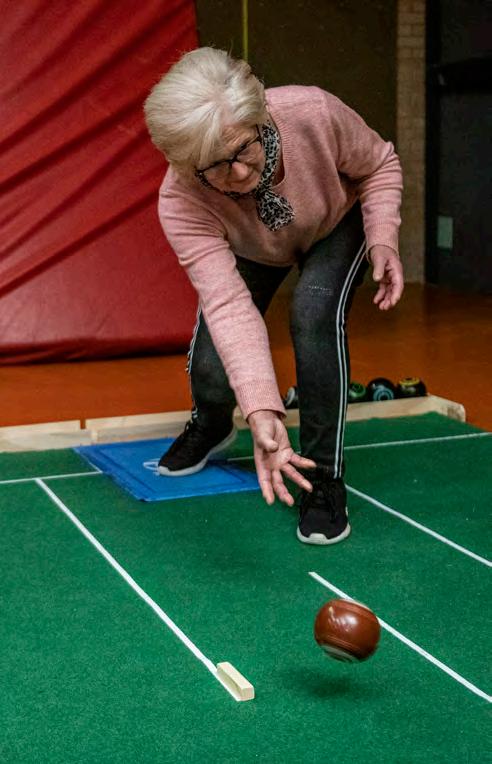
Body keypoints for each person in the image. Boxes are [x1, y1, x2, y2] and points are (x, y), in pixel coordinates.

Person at [143, 47, 404, 545]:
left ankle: (322, 477)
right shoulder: (180, 200)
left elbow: (380, 164)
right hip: (252, 245)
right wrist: (262, 412)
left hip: (334, 223)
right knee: (213, 366)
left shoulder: (313, 113)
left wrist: (383, 236)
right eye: (214, 167)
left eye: (243, 148)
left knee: (313, 312)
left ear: (259, 115)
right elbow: (227, 306)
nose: (238, 174)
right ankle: (212, 424)